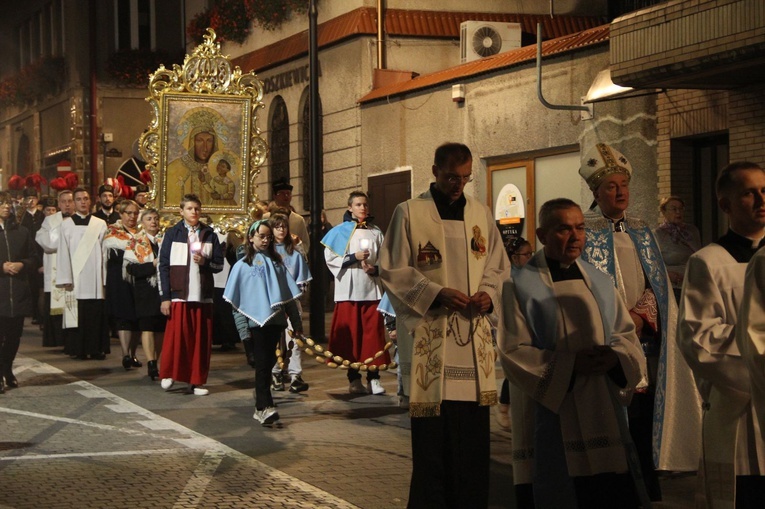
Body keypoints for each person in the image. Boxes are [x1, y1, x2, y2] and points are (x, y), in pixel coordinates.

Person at [379, 142, 511, 508]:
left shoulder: (480, 214)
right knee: (433, 447)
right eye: (453, 177)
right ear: (435, 170)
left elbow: (499, 267)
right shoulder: (409, 212)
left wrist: (487, 294)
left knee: (471, 443)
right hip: (432, 338)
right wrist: (436, 294)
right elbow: (392, 268)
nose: (459, 185)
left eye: (466, 177)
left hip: (472, 343)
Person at [499, 198, 646, 509]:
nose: (576, 236)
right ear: (541, 235)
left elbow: (624, 335)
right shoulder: (519, 286)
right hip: (552, 410)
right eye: (564, 229)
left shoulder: (601, 282)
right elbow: (513, 351)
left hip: (600, 407)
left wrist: (616, 358)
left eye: (580, 228)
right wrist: (569, 364)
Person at [578, 143, 700, 499]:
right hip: (606, 339)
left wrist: (640, 315)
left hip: (643, 337)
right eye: (611, 187)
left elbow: (656, 284)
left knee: (643, 416)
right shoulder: (586, 232)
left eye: (624, 186)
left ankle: (646, 488)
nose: (620, 193)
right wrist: (617, 319)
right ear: (596, 193)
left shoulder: (643, 229)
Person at [678, 161, 765, 508]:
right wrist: (759, 364)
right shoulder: (707, 262)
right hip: (737, 411)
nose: (761, 199)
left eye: (764, 190)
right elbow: (699, 337)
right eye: (749, 192)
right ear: (725, 205)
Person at [223, 219, 303, 426]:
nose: (266, 240)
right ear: (251, 238)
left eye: (268, 236)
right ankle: (265, 407)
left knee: (268, 365)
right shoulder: (241, 267)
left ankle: (262, 406)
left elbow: (289, 299)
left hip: (275, 322)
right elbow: (238, 306)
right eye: (261, 236)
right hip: (255, 325)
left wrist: (297, 325)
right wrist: (245, 338)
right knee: (261, 366)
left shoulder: (278, 264)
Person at [323, 191, 390, 395]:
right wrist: (354, 257)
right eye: (358, 205)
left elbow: (386, 258)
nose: (363, 208)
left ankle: (374, 378)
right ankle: (354, 379)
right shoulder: (338, 232)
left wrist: (375, 269)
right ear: (350, 208)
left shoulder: (376, 232)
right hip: (349, 291)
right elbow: (331, 260)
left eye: (365, 205)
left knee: (373, 335)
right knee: (351, 335)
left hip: (371, 288)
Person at [158, 194, 222, 396]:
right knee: (176, 338)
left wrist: (204, 262)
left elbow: (219, 265)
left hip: (203, 297)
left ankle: (197, 381)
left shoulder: (209, 234)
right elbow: (163, 266)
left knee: (200, 341)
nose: (194, 212)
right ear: (181, 211)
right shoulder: (172, 234)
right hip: (179, 295)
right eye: (189, 208)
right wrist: (165, 297)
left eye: (197, 208)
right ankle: (169, 373)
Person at [56, 188, 109, 360]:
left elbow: (105, 253)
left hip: (94, 278)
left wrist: (105, 278)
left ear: (91, 201)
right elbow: (63, 253)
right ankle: (77, 348)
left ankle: (95, 348)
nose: (83, 202)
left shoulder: (99, 224)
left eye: (86, 198)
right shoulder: (66, 224)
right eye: (78, 199)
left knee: (95, 314)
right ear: (74, 203)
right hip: (75, 278)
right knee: (77, 314)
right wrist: (65, 278)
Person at [0, 191, 38, 393]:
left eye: (8, 203)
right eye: (1, 203)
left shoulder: (21, 232)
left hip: (19, 292)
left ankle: (7, 368)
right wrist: (2, 268)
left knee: (14, 337)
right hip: (1, 291)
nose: (6, 207)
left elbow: (34, 258)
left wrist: (21, 264)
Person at [269, 213, 311, 393]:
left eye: (284, 226)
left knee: (295, 338)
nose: (281, 229)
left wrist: (296, 296)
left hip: (292, 302)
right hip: (272, 303)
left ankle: (295, 375)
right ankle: (276, 373)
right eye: (277, 226)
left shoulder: (294, 252)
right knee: (274, 340)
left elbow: (302, 278)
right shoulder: (267, 252)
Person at [124, 208, 166, 380]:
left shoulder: (165, 240)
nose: (153, 222)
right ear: (143, 222)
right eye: (149, 219)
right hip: (145, 288)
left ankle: (157, 358)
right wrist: (152, 265)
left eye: (156, 218)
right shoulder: (136, 241)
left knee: (160, 327)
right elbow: (130, 268)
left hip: (163, 288)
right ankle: (150, 362)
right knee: (147, 325)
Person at [496, 236, 533, 431]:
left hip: (528, 331)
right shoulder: (503, 278)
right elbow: (498, 308)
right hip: (509, 331)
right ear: (513, 257)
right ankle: (503, 408)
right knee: (513, 371)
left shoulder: (532, 275)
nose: (530, 258)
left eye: (531, 254)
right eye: (526, 254)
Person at [103, 200, 141, 370]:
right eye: (129, 213)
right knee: (124, 317)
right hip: (120, 279)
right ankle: (126, 354)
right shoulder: (113, 232)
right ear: (121, 214)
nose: (132, 216)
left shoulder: (142, 232)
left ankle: (133, 355)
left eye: (135, 213)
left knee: (138, 318)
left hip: (139, 278)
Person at [36, 190, 75, 348]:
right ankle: (58, 339)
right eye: (64, 201)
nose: (67, 204)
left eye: (70, 201)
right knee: (58, 306)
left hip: (74, 268)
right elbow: (47, 242)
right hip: (56, 268)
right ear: (59, 204)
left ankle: (73, 340)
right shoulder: (50, 221)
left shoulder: (81, 220)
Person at [166, 108, 226, 206]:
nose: (205, 147)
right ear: (191, 143)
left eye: (209, 141)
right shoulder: (175, 168)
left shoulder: (221, 170)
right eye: (199, 140)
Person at [653, 195, 701, 301]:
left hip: (693, 283)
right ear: (664, 212)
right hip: (673, 285)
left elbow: (698, 254)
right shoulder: (658, 234)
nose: (678, 212)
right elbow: (654, 264)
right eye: (674, 209)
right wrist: (670, 275)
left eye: (681, 209)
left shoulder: (692, 231)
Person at [20, 187, 44, 325]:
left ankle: (39, 315)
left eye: (33, 198)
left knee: (40, 286)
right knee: (30, 286)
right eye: (28, 199)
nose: (31, 201)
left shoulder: (42, 216)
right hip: (28, 254)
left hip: (41, 253)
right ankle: (31, 311)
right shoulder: (21, 217)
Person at [268, 179, 310, 254]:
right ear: (275, 196)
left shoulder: (298, 219)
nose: (286, 196)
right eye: (282, 193)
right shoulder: (265, 217)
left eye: (288, 193)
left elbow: (305, 243)